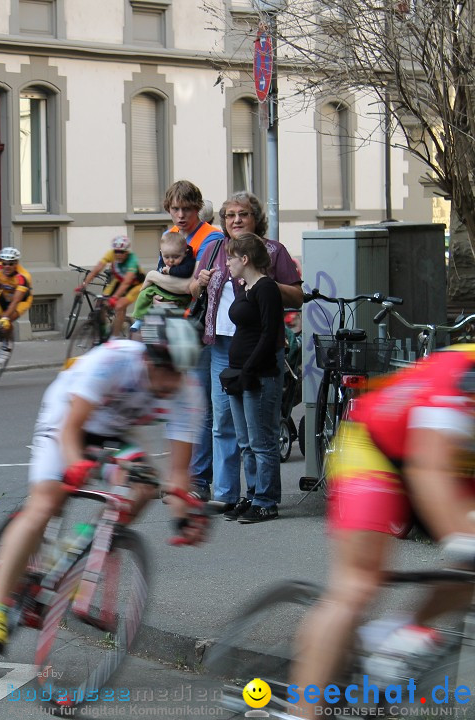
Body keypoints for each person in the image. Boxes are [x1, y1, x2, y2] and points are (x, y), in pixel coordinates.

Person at [0, 311, 208, 649]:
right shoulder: (113, 361)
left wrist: (184, 517)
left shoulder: (187, 391)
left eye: (180, 372)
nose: (173, 382)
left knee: (144, 486)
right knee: (47, 503)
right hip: (67, 419)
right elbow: (70, 430)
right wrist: (75, 466)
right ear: (148, 358)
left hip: (114, 431)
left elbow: (179, 474)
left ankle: (83, 547)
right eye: (167, 370)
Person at [287, 347, 475, 718]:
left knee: (468, 568)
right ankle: (300, 711)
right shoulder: (463, 372)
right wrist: (464, 540)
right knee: (357, 587)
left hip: (451, 467)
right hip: (377, 449)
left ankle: (402, 636)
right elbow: (428, 468)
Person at [187, 191, 302, 516]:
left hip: (261, 349)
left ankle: (262, 497)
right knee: (223, 421)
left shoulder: (273, 251)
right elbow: (192, 289)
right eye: (230, 215)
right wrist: (200, 282)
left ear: (256, 219)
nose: (236, 220)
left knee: (257, 429)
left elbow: (297, 297)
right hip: (221, 346)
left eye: (243, 214)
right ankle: (228, 494)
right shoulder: (213, 250)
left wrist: (263, 281)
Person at [138, 181, 223, 496]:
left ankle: (198, 480)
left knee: (197, 404)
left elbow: (191, 286)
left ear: (197, 207)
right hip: (170, 326)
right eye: (175, 208)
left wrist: (153, 278)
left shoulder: (211, 238)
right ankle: (182, 477)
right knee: (178, 403)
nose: (181, 214)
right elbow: (169, 282)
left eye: (187, 208)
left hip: (195, 329)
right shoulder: (172, 237)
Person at [222, 232, 284, 523]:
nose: (227, 264)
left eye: (230, 258)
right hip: (240, 374)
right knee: (246, 441)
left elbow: (270, 334)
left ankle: (266, 500)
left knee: (262, 441)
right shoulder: (246, 288)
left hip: (259, 374)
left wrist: (250, 368)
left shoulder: (266, 288)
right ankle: (253, 493)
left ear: (244, 259)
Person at [79, 235, 144, 338]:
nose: (118, 254)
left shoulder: (132, 260)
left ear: (127, 252)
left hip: (134, 284)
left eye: (121, 252)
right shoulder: (111, 254)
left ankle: (115, 336)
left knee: (119, 306)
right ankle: (103, 332)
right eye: (116, 251)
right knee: (100, 303)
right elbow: (97, 269)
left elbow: (127, 283)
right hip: (119, 281)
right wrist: (84, 284)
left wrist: (115, 298)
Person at [129, 230, 196, 321]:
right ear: (161, 253)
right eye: (166, 257)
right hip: (162, 290)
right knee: (144, 294)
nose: (171, 261)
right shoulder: (163, 260)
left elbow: (186, 272)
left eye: (176, 257)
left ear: (185, 252)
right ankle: (139, 318)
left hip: (180, 295)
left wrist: (170, 271)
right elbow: (159, 269)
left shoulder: (189, 262)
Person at [0, 246, 32, 339]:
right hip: (4, 296)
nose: (7, 266)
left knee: (4, 324)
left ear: (16, 263)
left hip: (21, 301)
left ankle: (7, 345)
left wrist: (5, 318)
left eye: (11, 264)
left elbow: (15, 301)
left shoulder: (23, 276)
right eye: (4, 263)